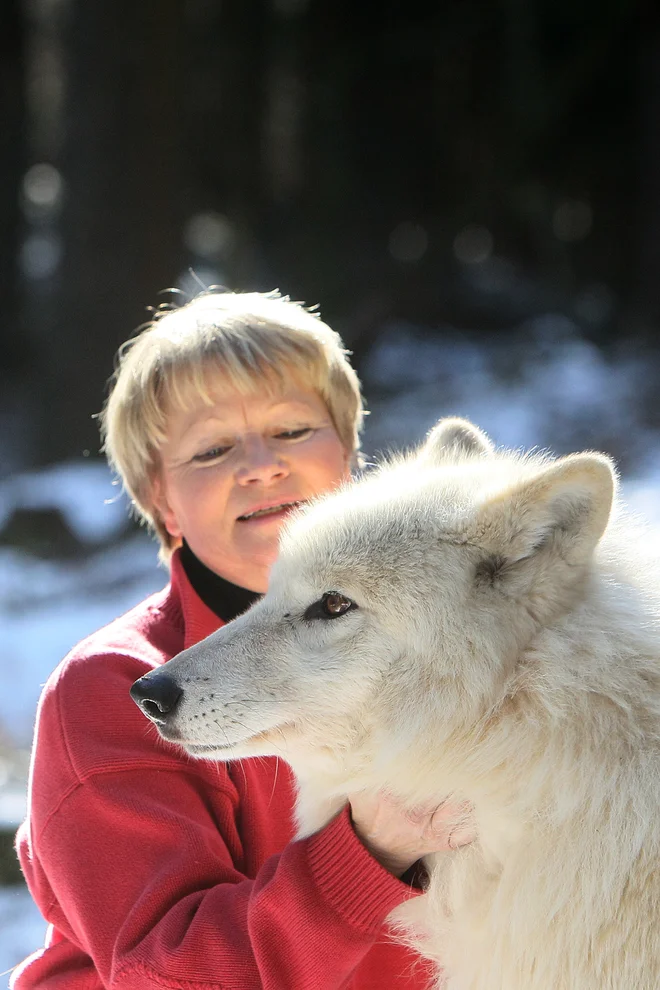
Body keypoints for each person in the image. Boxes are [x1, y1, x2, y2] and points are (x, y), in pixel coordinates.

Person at [12, 289, 472, 990]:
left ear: (348, 455)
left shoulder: (436, 644)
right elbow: (163, 978)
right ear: (163, 501)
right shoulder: (117, 693)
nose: (261, 465)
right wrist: (373, 848)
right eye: (213, 449)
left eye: (292, 431)